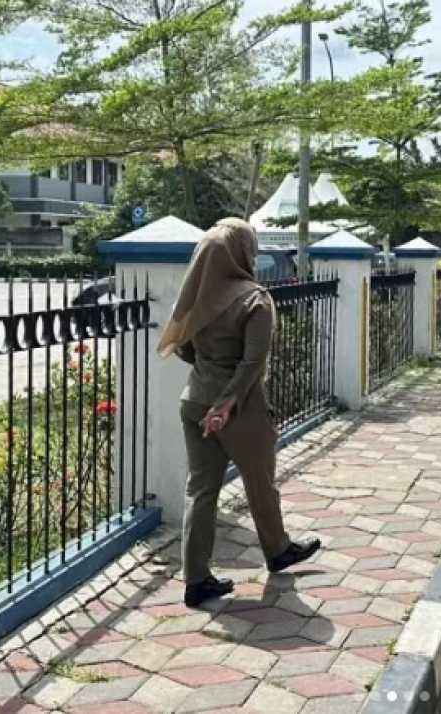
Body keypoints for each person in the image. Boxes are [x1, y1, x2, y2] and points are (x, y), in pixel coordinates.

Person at [158, 218, 321, 608]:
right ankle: (278, 549)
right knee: (260, 481)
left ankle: (196, 580)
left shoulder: (198, 296)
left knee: (201, 490)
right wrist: (227, 404)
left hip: (194, 402)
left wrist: (210, 385)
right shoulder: (254, 298)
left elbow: (183, 347)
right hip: (239, 408)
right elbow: (253, 364)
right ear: (243, 252)